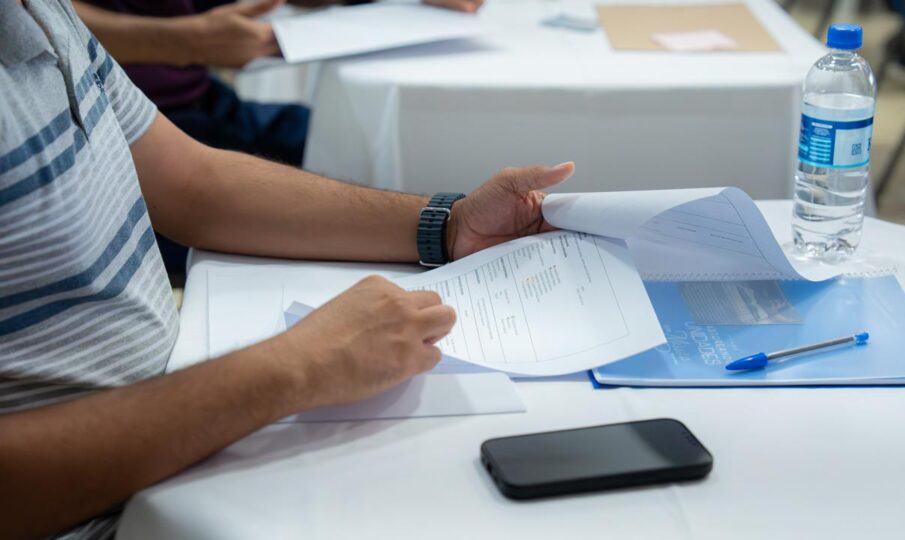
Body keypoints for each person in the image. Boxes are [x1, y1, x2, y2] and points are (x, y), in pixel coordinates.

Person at [0, 1, 571, 538]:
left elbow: (194, 184)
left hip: (179, 438)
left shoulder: (44, 13)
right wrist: (295, 368)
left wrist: (448, 225)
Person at [72, 0, 484, 273]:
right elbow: (194, 188)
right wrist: (187, 40)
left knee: (359, 145)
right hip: (128, 126)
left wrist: (452, 225)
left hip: (200, 102)